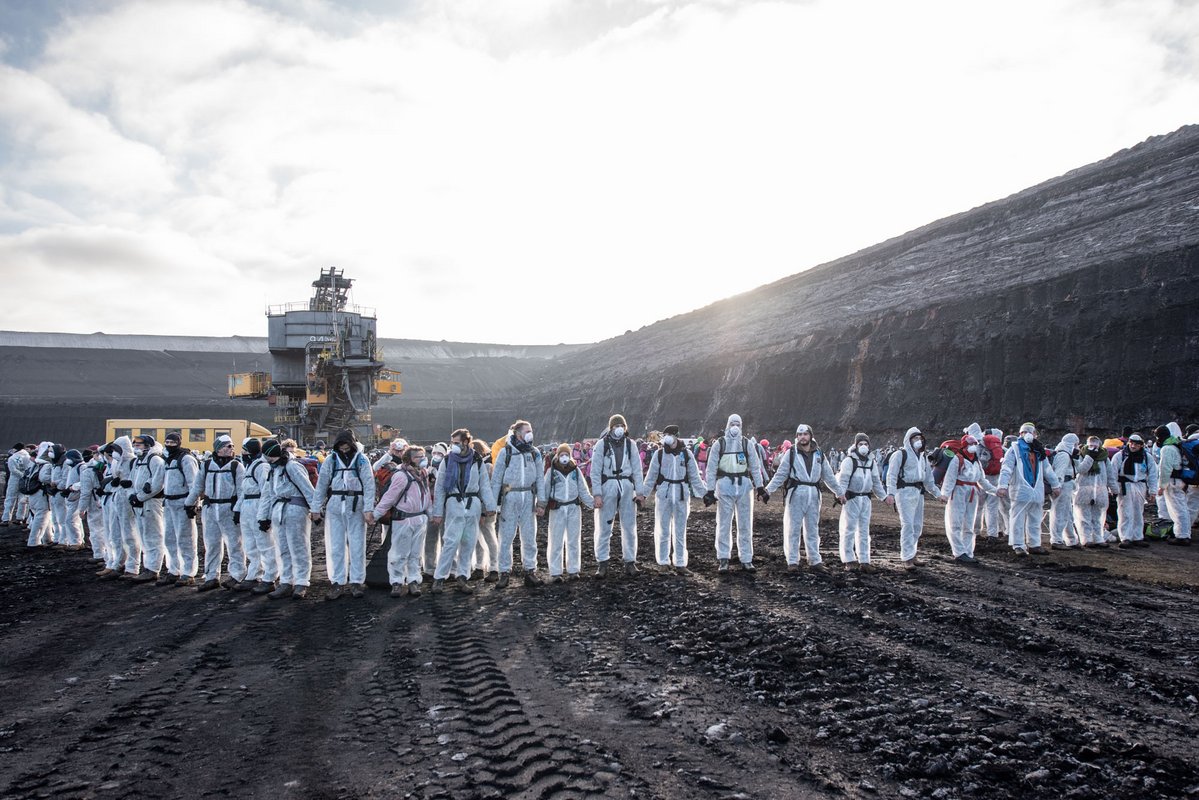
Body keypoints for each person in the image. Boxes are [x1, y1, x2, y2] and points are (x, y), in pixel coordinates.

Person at [765, 423, 840, 573]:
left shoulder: (819, 454)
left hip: (813, 493)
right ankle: (792, 560)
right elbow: (781, 474)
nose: (802, 437)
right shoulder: (791, 453)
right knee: (793, 527)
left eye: (805, 434)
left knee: (812, 528)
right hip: (796, 493)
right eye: (799, 435)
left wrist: (839, 492)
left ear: (810, 435)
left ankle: (814, 560)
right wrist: (768, 490)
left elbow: (828, 476)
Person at [313, 428, 376, 599]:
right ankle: (337, 582)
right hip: (335, 505)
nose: (344, 447)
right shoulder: (330, 461)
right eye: (341, 444)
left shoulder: (361, 460)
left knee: (357, 545)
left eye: (346, 443)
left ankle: (356, 581)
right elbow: (322, 484)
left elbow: (369, 485)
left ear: (352, 443)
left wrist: (368, 509)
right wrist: (315, 508)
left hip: (356, 505)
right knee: (336, 546)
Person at [433, 429, 498, 591]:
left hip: (472, 503)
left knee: (468, 542)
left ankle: (462, 576)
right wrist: (437, 512)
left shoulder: (477, 460)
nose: (453, 445)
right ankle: (439, 577)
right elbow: (439, 488)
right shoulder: (447, 461)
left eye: (456, 442)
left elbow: (484, 484)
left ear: (465, 442)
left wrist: (489, 506)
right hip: (454, 503)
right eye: (452, 442)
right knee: (450, 542)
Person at [369, 444, 436, 597]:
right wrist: (376, 515)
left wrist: (430, 514)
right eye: (418, 456)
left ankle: (413, 580)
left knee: (415, 553)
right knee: (398, 553)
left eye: (422, 456)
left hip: (419, 519)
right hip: (403, 519)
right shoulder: (400, 475)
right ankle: (396, 582)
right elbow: (389, 498)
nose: (422, 459)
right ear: (409, 459)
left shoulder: (423, 473)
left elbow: (426, 496)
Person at [705, 414, 768, 573]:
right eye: (732, 423)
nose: (735, 426)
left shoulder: (747, 444)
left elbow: (755, 466)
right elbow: (711, 469)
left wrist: (760, 487)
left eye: (738, 424)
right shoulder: (719, 444)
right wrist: (710, 490)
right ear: (727, 425)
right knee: (724, 524)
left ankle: (746, 558)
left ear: (741, 426)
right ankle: (723, 558)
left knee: (745, 524)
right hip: (725, 487)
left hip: (744, 487)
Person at [643, 425, 707, 575]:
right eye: (665, 434)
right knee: (663, 529)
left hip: (681, 494)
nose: (666, 437)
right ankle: (663, 562)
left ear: (676, 436)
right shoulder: (659, 454)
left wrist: (705, 494)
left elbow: (694, 477)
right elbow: (651, 476)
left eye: (669, 434)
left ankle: (680, 563)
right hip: (664, 493)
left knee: (680, 530)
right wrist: (643, 494)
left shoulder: (687, 454)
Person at [257, 438, 317, 599]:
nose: (269, 461)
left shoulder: (293, 467)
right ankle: (286, 581)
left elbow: (307, 488)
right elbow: (268, 494)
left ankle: (301, 582)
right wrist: (264, 516)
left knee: (299, 547)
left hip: (295, 510)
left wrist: (316, 510)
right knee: (282, 548)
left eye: (270, 458)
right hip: (279, 511)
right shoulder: (274, 469)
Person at [589, 414, 647, 578]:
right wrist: (597, 494)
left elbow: (637, 469)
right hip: (609, 486)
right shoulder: (602, 445)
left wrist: (640, 493)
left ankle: (630, 561)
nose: (619, 428)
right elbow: (595, 471)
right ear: (611, 427)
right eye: (616, 425)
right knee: (604, 526)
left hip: (627, 487)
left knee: (629, 526)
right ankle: (602, 563)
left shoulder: (631, 445)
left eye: (622, 425)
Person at [187, 434, 245, 591]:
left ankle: (237, 575)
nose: (231, 449)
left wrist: (238, 509)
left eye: (232, 446)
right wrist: (189, 503)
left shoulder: (236, 466)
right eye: (228, 446)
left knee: (235, 544)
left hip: (229, 508)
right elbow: (197, 486)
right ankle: (212, 576)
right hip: (211, 508)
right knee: (211, 544)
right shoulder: (206, 466)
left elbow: (242, 490)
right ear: (219, 448)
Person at [491, 421, 545, 587]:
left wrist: (541, 502)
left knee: (529, 537)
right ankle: (504, 573)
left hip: (528, 497)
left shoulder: (534, 453)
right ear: (518, 433)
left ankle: (530, 570)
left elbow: (540, 479)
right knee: (506, 537)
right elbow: (496, 480)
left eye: (531, 430)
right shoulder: (505, 452)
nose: (531, 433)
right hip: (510, 498)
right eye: (528, 431)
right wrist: (492, 505)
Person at [997, 422, 1062, 556]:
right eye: (1025, 432)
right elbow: (1006, 469)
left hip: (1036, 490)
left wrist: (1055, 485)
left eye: (1031, 432)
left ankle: (1034, 544)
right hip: (1020, 490)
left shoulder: (1038, 450)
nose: (1028, 434)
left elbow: (1047, 469)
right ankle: (1018, 544)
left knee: (1035, 518)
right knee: (1017, 518)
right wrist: (1002, 486)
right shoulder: (1014, 449)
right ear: (1020, 434)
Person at [539, 442, 596, 582]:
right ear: (557, 456)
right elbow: (545, 491)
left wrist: (593, 503)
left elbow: (583, 490)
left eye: (566, 454)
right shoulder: (551, 472)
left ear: (570, 456)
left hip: (573, 507)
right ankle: (556, 571)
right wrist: (541, 505)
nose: (564, 457)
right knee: (556, 540)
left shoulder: (575, 471)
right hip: (557, 508)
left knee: (573, 540)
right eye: (562, 454)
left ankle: (573, 570)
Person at [939, 427, 995, 564]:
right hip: (958, 491)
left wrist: (995, 490)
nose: (974, 447)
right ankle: (959, 552)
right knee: (955, 522)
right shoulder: (957, 460)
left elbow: (982, 480)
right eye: (971, 444)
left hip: (972, 492)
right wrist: (945, 494)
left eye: (975, 444)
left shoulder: (976, 462)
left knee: (969, 524)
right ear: (965, 446)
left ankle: (968, 552)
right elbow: (950, 478)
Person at [884, 427, 939, 570]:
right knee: (907, 524)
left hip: (918, 492)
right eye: (915, 438)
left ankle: (912, 553)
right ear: (908, 440)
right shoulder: (900, 454)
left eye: (920, 438)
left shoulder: (922, 457)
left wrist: (938, 494)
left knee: (917, 526)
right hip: (904, 491)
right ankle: (907, 558)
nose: (918, 441)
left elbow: (928, 479)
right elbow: (892, 475)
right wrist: (890, 493)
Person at [837, 433, 886, 572]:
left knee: (864, 531)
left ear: (869, 446)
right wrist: (840, 494)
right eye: (860, 444)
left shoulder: (872, 462)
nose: (863, 446)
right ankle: (849, 560)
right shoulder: (849, 461)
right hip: (851, 499)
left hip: (865, 499)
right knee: (848, 529)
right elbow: (843, 480)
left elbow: (876, 482)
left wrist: (884, 497)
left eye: (866, 444)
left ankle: (865, 560)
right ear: (856, 445)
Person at [159, 431, 200, 587]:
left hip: (182, 502)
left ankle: (189, 572)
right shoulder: (168, 460)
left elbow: (194, 483)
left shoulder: (186, 459)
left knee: (186, 539)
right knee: (169, 539)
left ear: (179, 442)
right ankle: (174, 570)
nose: (169, 445)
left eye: (172, 442)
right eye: (167, 442)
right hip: (169, 502)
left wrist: (192, 503)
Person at [236, 438, 276, 593]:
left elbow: (266, 491)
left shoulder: (261, 466)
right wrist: (237, 509)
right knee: (250, 545)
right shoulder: (251, 465)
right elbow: (244, 490)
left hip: (258, 505)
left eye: (245, 450)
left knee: (265, 544)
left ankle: (270, 576)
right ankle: (254, 575)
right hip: (247, 506)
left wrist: (265, 515)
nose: (243, 453)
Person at [1107, 432, 1158, 549]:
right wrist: (1113, 488)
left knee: (1138, 512)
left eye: (1136, 444)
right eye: (1131, 443)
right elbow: (1113, 472)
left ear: (1141, 445)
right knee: (1125, 512)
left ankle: (1137, 536)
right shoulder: (1120, 455)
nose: (1133, 446)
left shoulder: (1146, 457)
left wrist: (1152, 491)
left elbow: (1153, 474)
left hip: (1140, 485)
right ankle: (1125, 537)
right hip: (1125, 486)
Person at [126, 434, 166, 581]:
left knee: (153, 536)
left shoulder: (155, 460)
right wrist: (132, 496)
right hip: (140, 503)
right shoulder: (137, 462)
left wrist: (140, 497)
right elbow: (131, 481)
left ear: (148, 445)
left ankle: (153, 568)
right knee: (143, 535)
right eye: (135, 444)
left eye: (140, 444)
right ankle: (147, 566)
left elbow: (156, 484)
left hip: (151, 503)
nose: (136, 446)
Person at [98, 438, 135, 579]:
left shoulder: (132, 462)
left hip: (125, 500)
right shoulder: (116, 462)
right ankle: (117, 563)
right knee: (115, 534)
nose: (112, 453)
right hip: (117, 499)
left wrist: (128, 484)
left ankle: (132, 567)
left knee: (129, 534)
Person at [1074, 435, 1117, 549]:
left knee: (1099, 517)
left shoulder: (1104, 458)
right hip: (1084, 490)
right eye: (1091, 445)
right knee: (1084, 516)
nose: (1093, 448)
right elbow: (1081, 470)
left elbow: (1110, 474)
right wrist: (1089, 457)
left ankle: (1098, 538)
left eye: (1095, 445)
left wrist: (1114, 489)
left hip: (1100, 490)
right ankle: (1086, 539)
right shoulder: (1081, 455)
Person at [1155, 422, 1192, 546]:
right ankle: (1184, 533)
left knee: (1177, 509)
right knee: (1182, 508)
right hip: (1180, 481)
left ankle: (1182, 536)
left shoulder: (1167, 448)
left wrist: (1162, 486)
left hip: (1173, 482)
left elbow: (1165, 469)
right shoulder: (1176, 445)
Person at [470, 439, 499, 582]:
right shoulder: (476, 466)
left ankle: (494, 567)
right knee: (476, 538)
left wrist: (484, 509)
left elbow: (487, 490)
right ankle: (480, 566)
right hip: (477, 507)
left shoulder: (487, 467)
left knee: (489, 537)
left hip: (486, 508)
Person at [1047, 434, 1082, 550]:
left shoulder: (1064, 454)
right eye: (1076, 444)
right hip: (1063, 486)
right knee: (1059, 514)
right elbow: (1059, 473)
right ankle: (1056, 540)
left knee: (1066, 514)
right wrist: (1057, 487)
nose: (1077, 447)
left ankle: (1071, 539)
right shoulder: (1064, 455)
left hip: (1066, 486)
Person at [77, 448, 108, 563]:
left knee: (95, 530)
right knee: (107, 529)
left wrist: (82, 509)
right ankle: (108, 554)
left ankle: (99, 554)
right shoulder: (107, 467)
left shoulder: (87, 471)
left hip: (94, 502)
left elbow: (85, 493)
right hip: (107, 501)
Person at [58, 449, 86, 549]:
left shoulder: (82, 467)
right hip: (71, 497)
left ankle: (75, 542)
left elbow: (84, 482)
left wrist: (72, 488)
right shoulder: (73, 467)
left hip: (76, 496)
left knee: (70, 520)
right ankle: (79, 541)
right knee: (74, 520)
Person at [2, 443, 32, 528]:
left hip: (14, 480)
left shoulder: (12, 458)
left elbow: (13, 470)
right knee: (22, 499)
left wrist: (20, 475)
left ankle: (6, 519)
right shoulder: (28, 457)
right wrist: (24, 476)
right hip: (25, 480)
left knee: (10, 499)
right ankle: (20, 518)